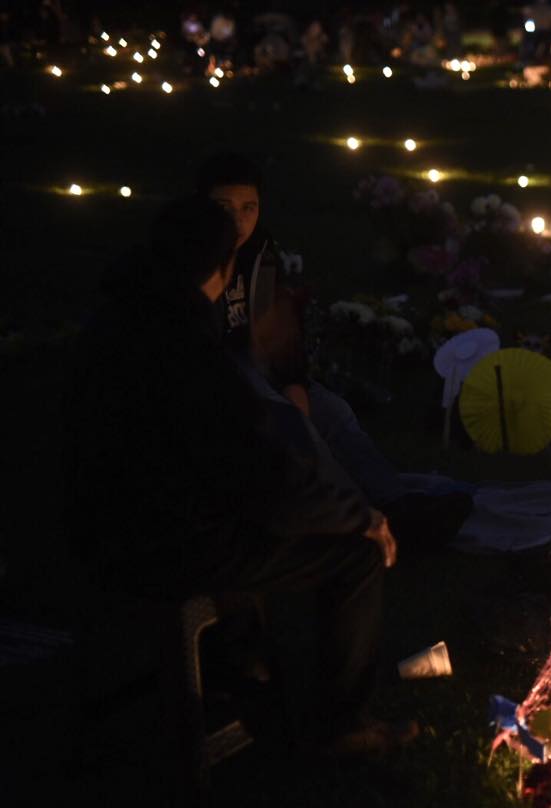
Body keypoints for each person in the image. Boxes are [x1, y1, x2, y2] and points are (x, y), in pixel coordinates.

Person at [64, 197, 413, 753]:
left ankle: (247, 668)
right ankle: (341, 726)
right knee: (356, 556)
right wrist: (358, 517)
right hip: (162, 541)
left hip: (91, 523)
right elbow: (264, 484)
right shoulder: (189, 351)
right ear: (224, 269)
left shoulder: (117, 316)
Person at [196, 152, 472, 551]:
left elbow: (279, 324)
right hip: (216, 375)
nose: (238, 221)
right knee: (290, 423)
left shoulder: (259, 251)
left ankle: (396, 502)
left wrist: (294, 380)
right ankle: (357, 519)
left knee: (333, 410)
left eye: (249, 208)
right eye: (224, 208)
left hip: (259, 365)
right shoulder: (189, 256)